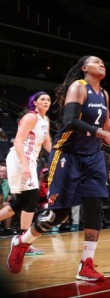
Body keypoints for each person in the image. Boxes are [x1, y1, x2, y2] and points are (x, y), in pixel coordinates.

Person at [7, 55, 110, 281]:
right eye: (96, 61)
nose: (101, 63)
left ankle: (86, 264)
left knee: (95, 206)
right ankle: (22, 242)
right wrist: (102, 134)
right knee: (59, 214)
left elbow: (105, 121)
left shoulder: (104, 94)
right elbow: (70, 121)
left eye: (103, 62)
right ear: (84, 68)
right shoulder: (79, 87)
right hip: (66, 153)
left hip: (93, 155)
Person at [0, 92, 52, 256]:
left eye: (48, 100)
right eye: (42, 99)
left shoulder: (46, 120)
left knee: (21, 202)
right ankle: (24, 242)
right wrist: (25, 165)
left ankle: (23, 242)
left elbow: (48, 145)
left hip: (30, 161)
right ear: (35, 103)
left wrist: (61, 156)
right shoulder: (31, 117)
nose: (46, 101)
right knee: (31, 198)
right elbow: (17, 140)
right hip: (19, 159)